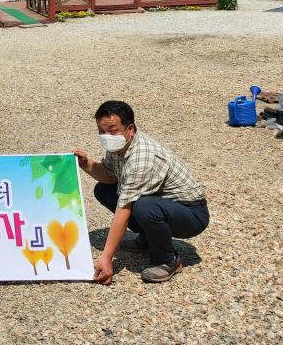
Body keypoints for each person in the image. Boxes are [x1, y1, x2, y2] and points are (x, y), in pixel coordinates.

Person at [74, 100, 209, 284]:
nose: (107, 136)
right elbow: (110, 176)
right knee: (104, 190)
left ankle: (168, 260)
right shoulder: (119, 146)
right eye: (101, 131)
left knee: (145, 207)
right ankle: (148, 238)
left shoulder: (142, 159)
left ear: (130, 129)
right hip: (163, 203)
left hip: (192, 213)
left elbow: (124, 208)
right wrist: (86, 164)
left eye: (112, 130)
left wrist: (106, 258)